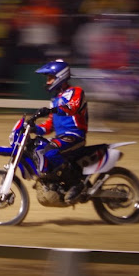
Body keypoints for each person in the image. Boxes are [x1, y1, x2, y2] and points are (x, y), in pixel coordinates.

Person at [32, 59, 88, 202]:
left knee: (51, 150)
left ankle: (77, 183)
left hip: (75, 135)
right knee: (37, 147)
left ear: (60, 76)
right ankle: (53, 182)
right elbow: (49, 125)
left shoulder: (76, 92)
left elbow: (72, 108)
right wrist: (34, 128)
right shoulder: (55, 99)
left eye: (50, 78)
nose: (48, 82)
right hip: (61, 137)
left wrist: (52, 109)